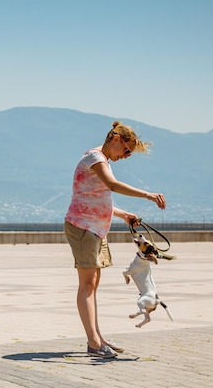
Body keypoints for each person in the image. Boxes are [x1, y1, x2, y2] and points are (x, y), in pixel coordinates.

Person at [64, 121, 166, 359]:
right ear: (116, 138)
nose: (127, 156)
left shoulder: (101, 161)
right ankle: (93, 342)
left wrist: (124, 215)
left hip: (95, 229)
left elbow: (97, 197)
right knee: (87, 285)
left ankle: (97, 338)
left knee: (93, 285)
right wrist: (148, 195)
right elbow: (112, 185)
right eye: (127, 150)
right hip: (83, 227)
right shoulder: (94, 159)